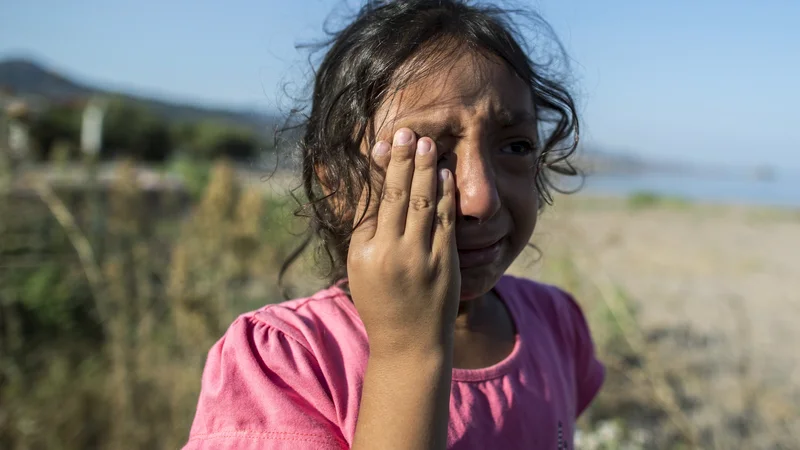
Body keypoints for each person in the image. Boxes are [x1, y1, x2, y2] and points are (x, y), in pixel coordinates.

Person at [183, 1, 605, 448]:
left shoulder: (556, 323)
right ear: (339, 186)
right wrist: (408, 350)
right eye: (428, 154)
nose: (482, 199)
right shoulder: (284, 365)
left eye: (516, 147)